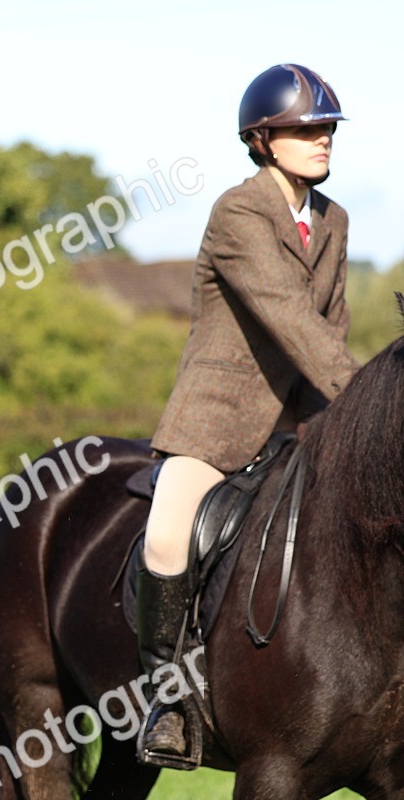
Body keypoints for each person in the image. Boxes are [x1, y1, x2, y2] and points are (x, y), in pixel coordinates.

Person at [138, 63, 361, 764]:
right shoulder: (239, 212)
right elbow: (291, 321)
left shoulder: (335, 220)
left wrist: (345, 422)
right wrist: (364, 401)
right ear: (263, 139)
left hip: (302, 428)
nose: (322, 138)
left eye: (327, 127)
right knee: (167, 540)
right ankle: (168, 700)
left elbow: (334, 329)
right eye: (305, 128)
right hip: (217, 421)